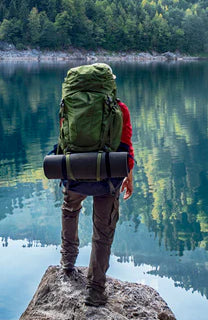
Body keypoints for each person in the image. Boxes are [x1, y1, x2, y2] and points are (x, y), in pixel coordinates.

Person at [58, 66, 135, 307]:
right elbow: (126, 145)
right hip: (107, 175)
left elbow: (64, 138)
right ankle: (95, 289)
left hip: (74, 172)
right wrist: (128, 176)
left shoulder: (69, 106)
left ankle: (67, 263)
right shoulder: (119, 109)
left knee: (70, 210)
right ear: (107, 85)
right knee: (103, 229)